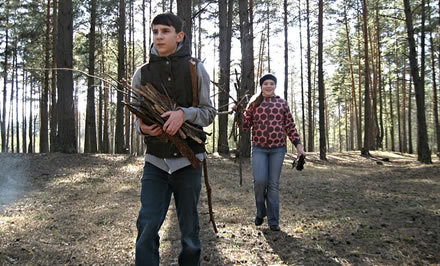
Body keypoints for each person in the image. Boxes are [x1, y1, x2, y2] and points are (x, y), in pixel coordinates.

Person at [131, 13, 216, 265]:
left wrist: (184, 114)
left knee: (189, 231)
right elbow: (136, 116)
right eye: (155, 31)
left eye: (165, 31)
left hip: (189, 161)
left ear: (179, 36)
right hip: (155, 161)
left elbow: (209, 112)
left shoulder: (195, 68)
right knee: (147, 225)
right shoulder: (142, 73)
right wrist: (143, 128)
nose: (158, 36)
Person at [241, 73, 305, 231]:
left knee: (273, 185)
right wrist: (238, 114)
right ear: (261, 86)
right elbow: (244, 126)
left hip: (277, 149)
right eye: (265, 83)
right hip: (258, 148)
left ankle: (274, 221)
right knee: (260, 181)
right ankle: (260, 210)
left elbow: (290, 126)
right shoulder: (254, 104)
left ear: (275, 86)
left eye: (271, 83)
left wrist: (298, 145)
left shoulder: (282, 103)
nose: (268, 86)